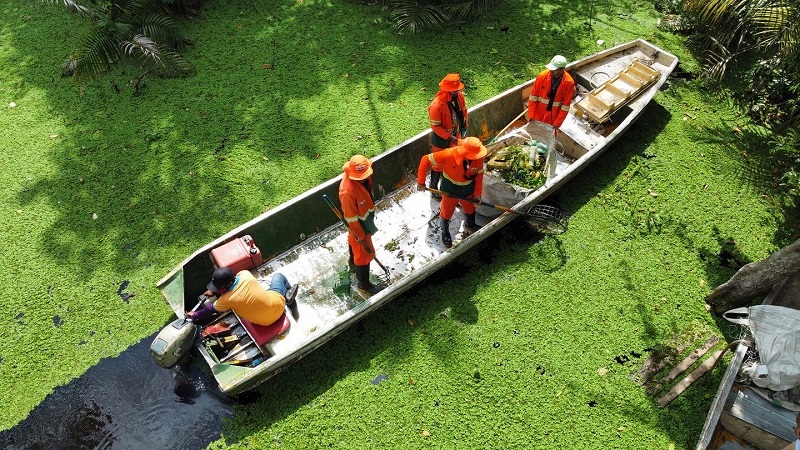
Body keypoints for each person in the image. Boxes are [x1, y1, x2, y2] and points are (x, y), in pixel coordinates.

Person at [416, 136, 486, 248]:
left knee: (470, 207)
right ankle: (445, 230)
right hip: (450, 190)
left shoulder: (478, 157)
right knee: (447, 211)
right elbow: (426, 159)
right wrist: (421, 181)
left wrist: (478, 193)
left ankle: (471, 224)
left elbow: (479, 175)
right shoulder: (449, 154)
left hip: (468, 189)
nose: (475, 158)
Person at [187, 267, 298, 325]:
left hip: (263, 323)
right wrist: (214, 291)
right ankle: (292, 305)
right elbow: (233, 288)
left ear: (227, 284)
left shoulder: (226, 300)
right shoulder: (245, 274)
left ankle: (288, 300)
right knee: (278, 276)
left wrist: (195, 315)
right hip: (276, 305)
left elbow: (209, 310)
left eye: (218, 287)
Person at [339, 154, 384, 295]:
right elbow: (351, 218)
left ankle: (352, 261)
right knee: (363, 252)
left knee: (354, 244)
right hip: (358, 225)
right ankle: (364, 284)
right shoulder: (347, 192)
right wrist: (360, 235)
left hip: (364, 218)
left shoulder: (364, 173)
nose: (364, 177)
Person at [427, 73, 469, 200]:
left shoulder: (459, 97)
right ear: (449, 91)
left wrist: (464, 129)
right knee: (438, 164)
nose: (459, 91)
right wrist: (450, 137)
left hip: (457, 135)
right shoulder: (436, 105)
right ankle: (434, 187)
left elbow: (464, 112)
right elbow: (435, 127)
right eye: (456, 90)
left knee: (455, 161)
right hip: (442, 140)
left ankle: (451, 185)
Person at [527, 55, 576, 132]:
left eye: (554, 69)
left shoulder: (569, 83)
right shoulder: (542, 76)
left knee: (548, 135)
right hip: (538, 113)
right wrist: (531, 114)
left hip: (553, 117)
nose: (551, 71)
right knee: (535, 134)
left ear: (562, 69)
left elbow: (565, 106)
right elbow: (533, 97)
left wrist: (558, 122)